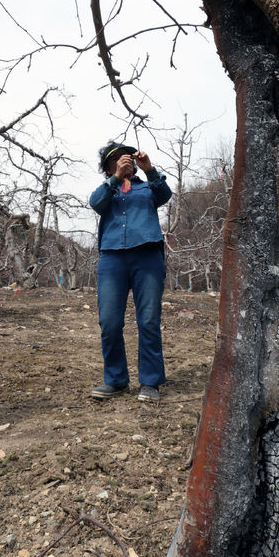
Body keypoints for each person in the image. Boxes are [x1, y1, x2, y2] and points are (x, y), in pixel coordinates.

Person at [89, 141, 172, 404]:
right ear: (108, 167)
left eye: (127, 158)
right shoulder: (107, 190)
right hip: (112, 258)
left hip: (147, 256)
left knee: (148, 320)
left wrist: (150, 170)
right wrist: (115, 179)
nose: (123, 162)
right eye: (116, 160)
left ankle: (150, 382)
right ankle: (116, 380)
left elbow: (165, 195)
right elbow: (96, 203)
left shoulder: (148, 186)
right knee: (109, 322)